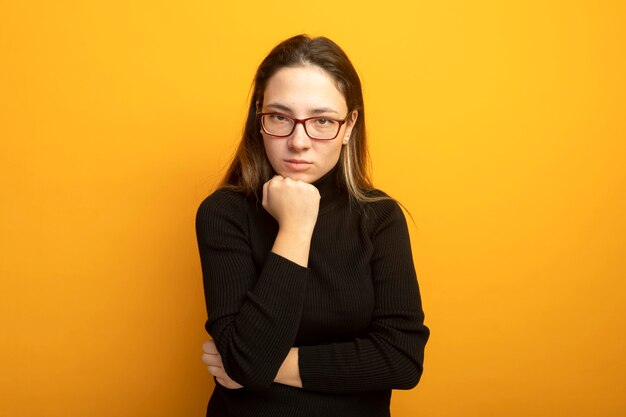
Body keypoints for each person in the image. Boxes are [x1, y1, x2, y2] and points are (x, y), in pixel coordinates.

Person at [196, 34, 429, 417]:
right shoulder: (224, 213)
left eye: (322, 120)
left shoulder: (380, 217)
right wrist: (296, 228)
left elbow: (402, 358)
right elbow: (247, 360)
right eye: (280, 117)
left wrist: (265, 366)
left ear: (349, 125)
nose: (298, 141)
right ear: (259, 118)